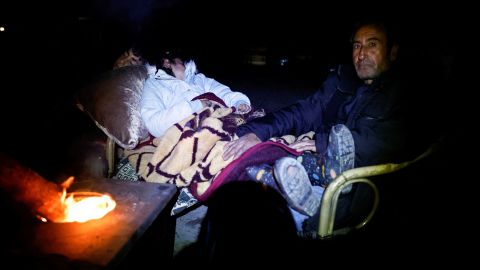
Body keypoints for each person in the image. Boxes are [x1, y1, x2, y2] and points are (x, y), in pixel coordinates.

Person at [222, 20, 429, 233]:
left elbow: (398, 139)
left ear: (392, 52)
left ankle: (314, 196)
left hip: (362, 187)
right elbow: (302, 113)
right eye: (357, 46)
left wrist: (323, 143)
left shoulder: (408, 91)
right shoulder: (343, 81)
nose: (362, 54)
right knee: (251, 167)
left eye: (372, 44)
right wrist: (256, 132)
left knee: (270, 207)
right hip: (319, 170)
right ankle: (302, 193)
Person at [139, 49, 252, 137]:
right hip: (189, 131)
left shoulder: (198, 79)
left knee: (259, 122)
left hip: (221, 120)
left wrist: (239, 102)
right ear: (167, 63)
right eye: (182, 62)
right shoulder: (154, 84)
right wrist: (196, 106)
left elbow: (222, 91)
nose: (187, 66)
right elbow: (154, 124)